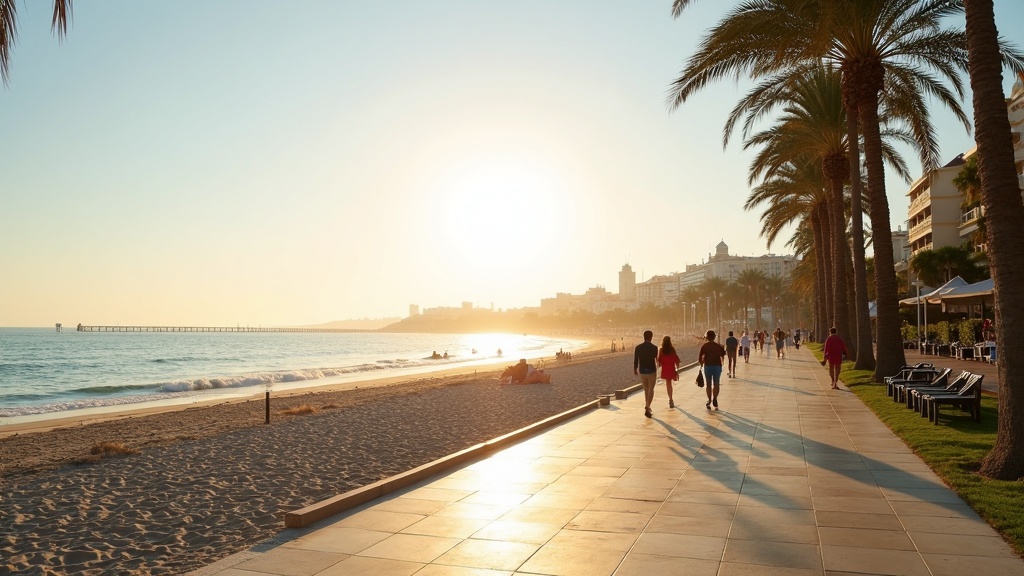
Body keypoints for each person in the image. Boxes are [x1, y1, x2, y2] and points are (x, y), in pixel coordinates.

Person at [698, 330, 727, 410]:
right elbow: (723, 355)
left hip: (708, 366)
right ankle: (715, 399)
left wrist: (701, 365)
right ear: (714, 337)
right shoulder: (718, 346)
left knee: (708, 384)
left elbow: (700, 358)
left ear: (707, 337)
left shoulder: (704, 346)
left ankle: (709, 400)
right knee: (716, 383)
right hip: (717, 366)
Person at [634, 330, 659, 418]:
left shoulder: (638, 347)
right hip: (652, 370)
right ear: (651, 337)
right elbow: (657, 360)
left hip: (642, 371)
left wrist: (635, 369)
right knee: (651, 390)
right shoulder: (654, 348)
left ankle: (647, 406)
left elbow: (636, 359)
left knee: (646, 389)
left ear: (643, 337)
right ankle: (647, 406)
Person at [657, 335, 680, 408]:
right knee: (670, 384)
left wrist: (660, 364)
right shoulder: (672, 349)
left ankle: (670, 399)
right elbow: (676, 359)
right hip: (671, 368)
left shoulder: (661, 350)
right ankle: (671, 399)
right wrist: (677, 369)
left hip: (665, 368)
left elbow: (659, 360)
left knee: (668, 384)